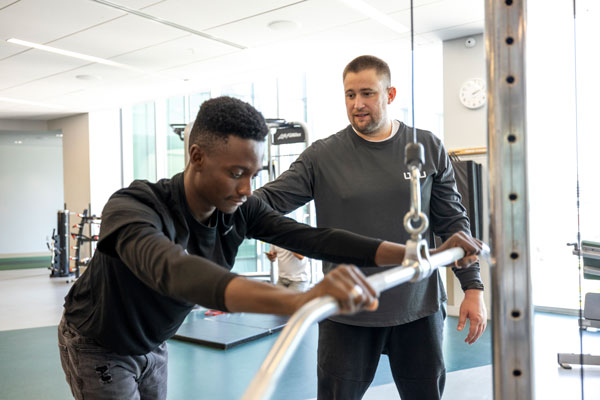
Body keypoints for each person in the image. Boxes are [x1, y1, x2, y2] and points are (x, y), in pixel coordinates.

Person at [57, 95, 483, 400]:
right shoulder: (135, 207)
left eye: (254, 175)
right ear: (196, 156)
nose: (246, 189)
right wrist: (298, 300)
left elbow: (313, 237)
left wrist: (412, 254)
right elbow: (177, 271)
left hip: (154, 342)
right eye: (236, 173)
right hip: (100, 344)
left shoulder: (237, 209)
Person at [253, 55, 487, 400]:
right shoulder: (322, 156)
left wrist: (473, 287)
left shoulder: (427, 147)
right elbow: (266, 202)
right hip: (347, 310)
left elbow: (452, 222)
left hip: (417, 307)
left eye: (367, 93)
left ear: (390, 94)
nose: (357, 105)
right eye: (350, 95)